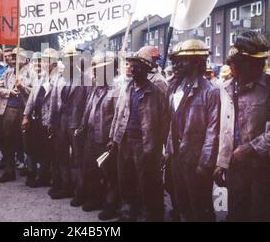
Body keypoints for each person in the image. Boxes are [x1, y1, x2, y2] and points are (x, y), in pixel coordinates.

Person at [214, 31, 270, 222]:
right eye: (254, 62)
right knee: (236, 214)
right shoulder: (226, 89)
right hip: (235, 167)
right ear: (238, 61)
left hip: (263, 169)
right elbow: (225, 129)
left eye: (262, 61)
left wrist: (251, 148)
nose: (260, 66)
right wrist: (221, 163)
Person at [109, 47, 168, 222]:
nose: (133, 70)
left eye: (137, 67)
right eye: (132, 67)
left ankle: (151, 216)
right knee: (125, 178)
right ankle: (128, 213)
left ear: (146, 70)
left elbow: (164, 122)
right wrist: (113, 139)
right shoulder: (127, 88)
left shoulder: (156, 92)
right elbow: (118, 115)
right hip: (125, 141)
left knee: (147, 182)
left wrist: (162, 148)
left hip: (145, 144)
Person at [166, 39, 220, 222]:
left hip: (196, 161)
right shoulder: (176, 86)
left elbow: (213, 131)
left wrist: (205, 164)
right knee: (182, 202)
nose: (177, 64)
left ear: (197, 62)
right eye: (177, 60)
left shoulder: (210, 91)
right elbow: (171, 122)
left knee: (200, 206)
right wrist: (168, 151)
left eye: (183, 60)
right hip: (176, 157)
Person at [77, 52, 119, 220]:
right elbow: (89, 108)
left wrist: (113, 138)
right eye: (94, 70)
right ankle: (95, 198)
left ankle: (111, 204)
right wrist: (82, 126)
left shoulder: (117, 88)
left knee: (110, 173)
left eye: (98, 70)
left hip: (106, 138)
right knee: (91, 170)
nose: (94, 73)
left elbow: (119, 115)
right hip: (91, 136)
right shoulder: (96, 86)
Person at [49, 44, 89, 202]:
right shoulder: (60, 78)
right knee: (61, 154)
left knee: (78, 158)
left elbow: (88, 105)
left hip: (77, 123)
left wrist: (83, 126)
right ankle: (66, 186)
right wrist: (52, 122)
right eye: (66, 60)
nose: (68, 63)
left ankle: (80, 191)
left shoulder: (86, 79)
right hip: (61, 121)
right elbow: (54, 100)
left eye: (72, 60)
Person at [21, 48, 60, 188]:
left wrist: (53, 121)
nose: (42, 63)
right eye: (42, 60)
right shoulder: (41, 76)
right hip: (36, 117)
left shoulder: (59, 78)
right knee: (36, 146)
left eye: (45, 60)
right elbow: (32, 97)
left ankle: (46, 176)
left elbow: (57, 102)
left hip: (50, 119)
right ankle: (40, 173)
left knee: (48, 149)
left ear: (54, 63)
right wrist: (25, 115)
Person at [0, 48, 33, 183]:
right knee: (8, 141)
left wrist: (23, 87)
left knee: (27, 142)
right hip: (9, 110)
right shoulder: (7, 72)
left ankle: (30, 170)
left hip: (25, 110)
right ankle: (9, 171)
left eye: (17, 56)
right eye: (12, 56)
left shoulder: (31, 73)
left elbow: (36, 91)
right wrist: (9, 91)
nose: (13, 58)